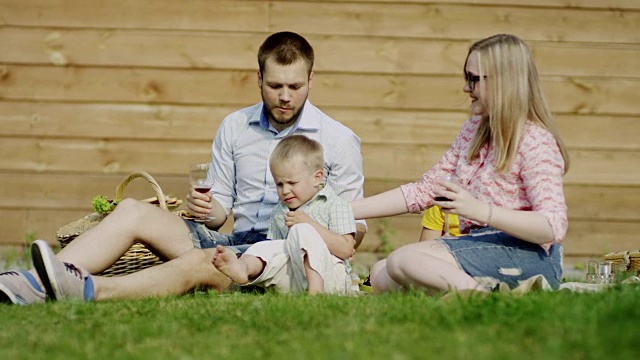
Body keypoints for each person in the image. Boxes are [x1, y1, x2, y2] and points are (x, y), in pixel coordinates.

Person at [0, 31, 366, 305]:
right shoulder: (235, 127)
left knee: (200, 262)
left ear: (311, 81)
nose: (285, 96)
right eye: (274, 85)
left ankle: (85, 290)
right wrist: (208, 209)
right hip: (236, 240)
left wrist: (307, 228)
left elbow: (355, 229)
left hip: (283, 255)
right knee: (132, 211)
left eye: (295, 86)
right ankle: (33, 282)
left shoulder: (338, 140)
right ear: (258, 79)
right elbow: (220, 213)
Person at [351, 34, 570, 295]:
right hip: (481, 245)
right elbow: (426, 190)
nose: (466, 88)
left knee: (402, 260)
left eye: (473, 79)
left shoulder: (535, 141)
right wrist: (345, 210)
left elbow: (552, 226)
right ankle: (474, 290)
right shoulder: (475, 130)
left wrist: (481, 211)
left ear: (504, 82)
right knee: (380, 274)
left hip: (527, 254)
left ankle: (482, 299)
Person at [213, 135, 356, 295]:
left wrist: (308, 224)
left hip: (331, 276)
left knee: (302, 231)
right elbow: (276, 251)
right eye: (279, 184)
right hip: (294, 277)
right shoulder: (280, 212)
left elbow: (346, 249)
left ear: (317, 178)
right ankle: (243, 268)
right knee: (262, 245)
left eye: (292, 183)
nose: (285, 190)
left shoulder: (335, 204)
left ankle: (316, 293)